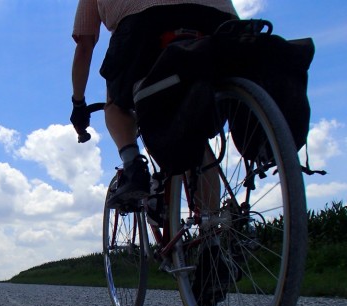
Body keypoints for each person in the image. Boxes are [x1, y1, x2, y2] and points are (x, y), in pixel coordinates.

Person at [70, 0, 238, 208]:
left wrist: (78, 104)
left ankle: (134, 167)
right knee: (197, 136)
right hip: (215, 21)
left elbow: (84, 47)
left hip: (145, 25)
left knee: (115, 105)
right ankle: (212, 228)